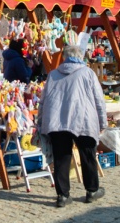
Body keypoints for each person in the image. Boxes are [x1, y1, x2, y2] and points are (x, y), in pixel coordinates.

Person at [37, 45, 106, 207]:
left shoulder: (53, 74)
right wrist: (103, 122)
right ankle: (92, 191)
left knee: (61, 158)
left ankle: (62, 195)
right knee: (88, 155)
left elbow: (43, 100)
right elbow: (99, 101)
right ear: (80, 56)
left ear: (64, 58)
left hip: (57, 121)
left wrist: (40, 121)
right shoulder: (88, 73)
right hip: (83, 120)